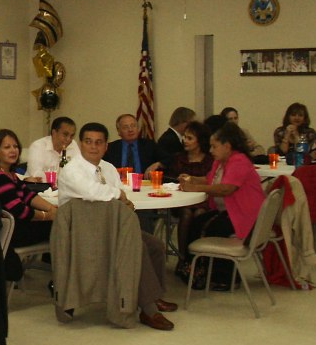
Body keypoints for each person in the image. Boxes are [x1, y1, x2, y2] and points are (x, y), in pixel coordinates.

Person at [57, 122, 177, 331]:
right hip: (82, 233)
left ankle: (153, 295)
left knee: (156, 245)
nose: (93, 147)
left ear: (106, 146)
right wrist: (119, 196)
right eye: (88, 142)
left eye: (99, 142)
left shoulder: (109, 168)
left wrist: (122, 198)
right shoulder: (71, 169)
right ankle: (149, 309)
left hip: (113, 227)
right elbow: (93, 192)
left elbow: (121, 193)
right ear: (81, 144)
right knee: (136, 246)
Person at [177, 122, 267, 291]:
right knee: (196, 223)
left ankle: (223, 276)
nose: (210, 150)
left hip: (244, 215)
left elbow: (227, 188)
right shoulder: (221, 162)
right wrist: (192, 179)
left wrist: (195, 188)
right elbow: (211, 179)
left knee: (209, 229)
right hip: (230, 212)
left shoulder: (239, 161)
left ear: (227, 146)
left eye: (214, 146)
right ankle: (196, 271)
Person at [0, 129, 57, 281]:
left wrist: (52, 209)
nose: (13, 151)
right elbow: (20, 211)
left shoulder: (10, 174)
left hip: (16, 227)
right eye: (7, 147)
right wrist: (47, 216)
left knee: (62, 221)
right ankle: (63, 276)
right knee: (63, 226)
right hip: (9, 232)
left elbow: (28, 195)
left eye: (15, 146)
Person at [167, 120, 213, 255]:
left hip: (202, 200)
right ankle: (183, 256)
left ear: (199, 141)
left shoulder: (209, 160)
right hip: (180, 201)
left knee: (199, 213)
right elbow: (169, 179)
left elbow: (211, 181)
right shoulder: (179, 158)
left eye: (189, 138)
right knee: (186, 213)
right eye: (184, 137)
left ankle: (196, 255)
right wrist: (177, 180)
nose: (185, 140)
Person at [104, 113, 162, 177]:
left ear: (137, 128)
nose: (130, 130)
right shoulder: (110, 148)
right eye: (125, 127)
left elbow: (168, 159)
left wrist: (157, 164)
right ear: (119, 131)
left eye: (133, 126)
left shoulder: (149, 145)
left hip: (144, 185)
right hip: (118, 184)